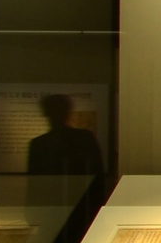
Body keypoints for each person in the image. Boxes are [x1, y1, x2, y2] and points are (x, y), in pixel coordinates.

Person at [27, 94, 105, 243]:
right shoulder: (84, 138)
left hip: (72, 210)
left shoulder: (39, 144)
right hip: (75, 210)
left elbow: (34, 184)